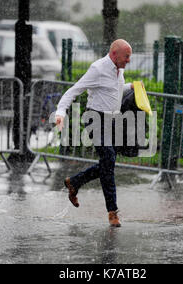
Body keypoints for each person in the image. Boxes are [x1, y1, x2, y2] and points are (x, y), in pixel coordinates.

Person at [54, 39, 133, 227]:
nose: (128, 60)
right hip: (95, 118)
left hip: (111, 120)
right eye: (126, 56)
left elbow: (114, 90)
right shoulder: (97, 68)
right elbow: (75, 90)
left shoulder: (118, 69)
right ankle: (112, 212)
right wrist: (60, 112)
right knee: (108, 157)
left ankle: (74, 182)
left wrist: (132, 87)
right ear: (114, 54)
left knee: (108, 163)